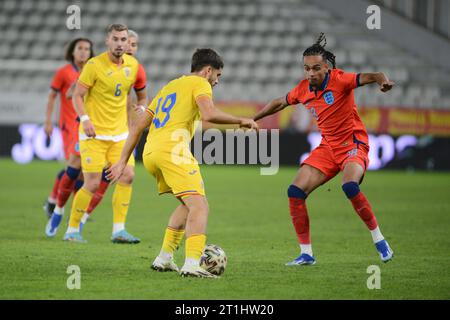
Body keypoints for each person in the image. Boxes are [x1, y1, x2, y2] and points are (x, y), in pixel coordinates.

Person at [107, 48, 258, 277]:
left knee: (188, 205)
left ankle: (164, 258)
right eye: (217, 75)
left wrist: (122, 160)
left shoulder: (170, 87)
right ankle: (191, 264)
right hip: (173, 151)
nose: (216, 81)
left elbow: (138, 125)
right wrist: (241, 121)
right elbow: (208, 114)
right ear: (208, 71)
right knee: (200, 206)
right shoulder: (201, 84)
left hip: (151, 153)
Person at [253, 33, 395, 265]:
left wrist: (383, 81)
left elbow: (374, 75)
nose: (310, 73)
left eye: (316, 68)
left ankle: (379, 240)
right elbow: (279, 102)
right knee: (295, 191)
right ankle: (306, 253)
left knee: (349, 186)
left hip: (353, 144)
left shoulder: (341, 80)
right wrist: (253, 119)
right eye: (306, 69)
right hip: (328, 147)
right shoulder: (303, 89)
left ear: (326, 67)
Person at [63, 23, 146, 243]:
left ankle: (118, 230)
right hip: (94, 135)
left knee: (127, 175)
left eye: (123, 40)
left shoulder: (134, 66)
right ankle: (72, 231)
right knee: (91, 183)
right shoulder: (94, 65)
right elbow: (77, 96)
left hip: (119, 135)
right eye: (116, 39)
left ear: (129, 42)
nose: (120, 44)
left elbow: (142, 94)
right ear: (107, 41)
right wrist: (85, 119)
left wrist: (142, 108)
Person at [43, 38, 93, 226]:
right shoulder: (63, 72)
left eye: (87, 49)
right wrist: (48, 121)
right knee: (74, 167)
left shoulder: (93, 69)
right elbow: (54, 97)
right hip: (70, 126)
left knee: (82, 171)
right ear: (72, 52)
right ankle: (54, 203)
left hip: (87, 124)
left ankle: (68, 207)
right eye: (79, 48)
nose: (83, 52)